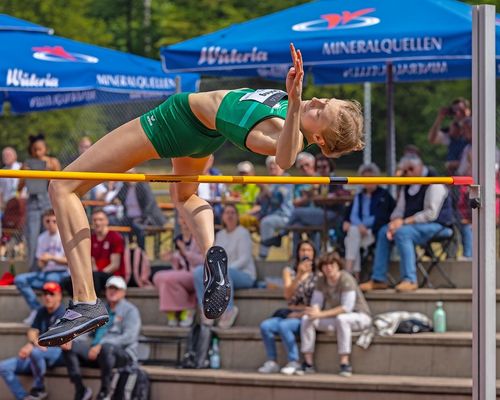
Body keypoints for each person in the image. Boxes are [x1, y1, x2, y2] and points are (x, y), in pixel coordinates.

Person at [39, 44, 364, 346]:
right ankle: (212, 256)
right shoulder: (291, 119)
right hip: (203, 135)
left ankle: (85, 300)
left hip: (177, 119)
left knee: (62, 187)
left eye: (321, 111)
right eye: (326, 101)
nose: (317, 102)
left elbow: (284, 158)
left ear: (318, 138)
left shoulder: (280, 130)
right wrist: (297, 101)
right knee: (184, 197)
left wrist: (294, 101)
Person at [360, 155, 453, 292]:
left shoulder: (435, 182)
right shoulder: (407, 186)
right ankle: (378, 279)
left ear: (420, 166)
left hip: (440, 226)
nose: (408, 173)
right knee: (383, 231)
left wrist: (403, 222)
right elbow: (399, 210)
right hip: (413, 225)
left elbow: (431, 214)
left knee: (403, 233)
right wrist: (394, 223)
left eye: (411, 169)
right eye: (405, 170)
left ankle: (410, 279)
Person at [60, 276, 141, 400]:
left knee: (107, 348)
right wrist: (73, 339)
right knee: (70, 346)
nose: (112, 291)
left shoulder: (131, 311)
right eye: (110, 288)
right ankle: (81, 390)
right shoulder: (100, 309)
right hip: (97, 352)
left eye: (116, 289)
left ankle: (105, 392)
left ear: (123, 292)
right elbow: (88, 331)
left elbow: (129, 337)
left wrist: (101, 344)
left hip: (122, 355)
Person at [300, 252, 371, 377]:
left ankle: (345, 363)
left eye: (332, 265)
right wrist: (314, 312)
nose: (328, 268)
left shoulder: (346, 279)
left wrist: (320, 314)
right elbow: (316, 303)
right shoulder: (321, 281)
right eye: (325, 265)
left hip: (359, 316)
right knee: (307, 319)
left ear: (338, 266)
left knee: (342, 319)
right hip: (334, 318)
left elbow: (346, 308)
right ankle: (308, 363)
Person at [258, 240, 317, 375]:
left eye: (309, 250)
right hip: (290, 311)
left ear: (314, 253)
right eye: (303, 250)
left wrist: (301, 313)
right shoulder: (289, 271)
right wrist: (299, 276)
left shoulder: (318, 274)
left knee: (285, 326)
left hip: (307, 314)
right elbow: (287, 295)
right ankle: (272, 361)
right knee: (266, 326)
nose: (305, 253)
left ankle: (294, 361)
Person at [194, 204, 256, 329]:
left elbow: (244, 259)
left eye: (233, 213)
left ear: (237, 216)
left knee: (223, 272)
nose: (230, 215)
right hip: (223, 273)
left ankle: (229, 310)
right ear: (222, 217)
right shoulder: (220, 235)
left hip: (244, 274)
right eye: (227, 213)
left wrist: (221, 271)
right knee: (198, 272)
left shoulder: (243, 233)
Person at [0, 281, 65, 400]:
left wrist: (34, 344)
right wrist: (33, 343)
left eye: (51, 293)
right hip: (39, 353)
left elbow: (57, 339)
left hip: (58, 354)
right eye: (45, 294)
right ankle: (23, 397)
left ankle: (39, 389)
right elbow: (32, 331)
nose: (47, 297)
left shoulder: (64, 313)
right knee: (3, 367)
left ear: (59, 295)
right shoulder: (42, 311)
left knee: (35, 352)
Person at [14, 209, 68, 324]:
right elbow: (40, 263)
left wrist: (51, 258)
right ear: (43, 222)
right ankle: (36, 309)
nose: (51, 224)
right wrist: (43, 261)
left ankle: (55, 313)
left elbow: (69, 261)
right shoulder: (42, 237)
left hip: (61, 273)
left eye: (54, 221)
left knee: (50, 281)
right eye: (47, 221)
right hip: (45, 273)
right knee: (20, 279)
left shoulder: (64, 236)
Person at [342, 163, 395, 279]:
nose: (368, 181)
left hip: (374, 232)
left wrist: (364, 226)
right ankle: (353, 275)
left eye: (371, 178)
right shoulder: (359, 196)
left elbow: (381, 217)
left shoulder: (384, 195)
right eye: (365, 178)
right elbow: (353, 215)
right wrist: (360, 226)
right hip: (360, 232)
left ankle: (349, 271)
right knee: (353, 234)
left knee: (349, 238)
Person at [18, 134, 61, 271]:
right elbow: (19, 187)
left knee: (51, 235)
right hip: (33, 204)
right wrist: (26, 174)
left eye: (40, 149)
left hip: (48, 203)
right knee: (33, 240)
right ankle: (33, 271)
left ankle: (51, 269)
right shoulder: (27, 164)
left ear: (46, 149)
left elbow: (60, 183)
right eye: (34, 149)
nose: (37, 152)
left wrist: (49, 171)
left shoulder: (53, 162)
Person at [153, 214, 203, 327]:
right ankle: (174, 313)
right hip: (183, 273)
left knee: (169, 278)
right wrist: (172, 257)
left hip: (197, 273)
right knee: (158, 277)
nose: (184, 221)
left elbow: (204, 260)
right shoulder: (178, 239)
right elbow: (179, 263)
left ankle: (187, 309)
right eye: (182, 217)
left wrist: (186, 252)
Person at [61, 208, 126, 296]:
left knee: (95, 278)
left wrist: (97, 272)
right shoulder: (90, 239)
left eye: (100, 220)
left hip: (112, 275)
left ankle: (94, 306)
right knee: (67, 281)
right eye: (95, 220)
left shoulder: (115, 237)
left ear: (107, 221)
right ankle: (79, 304)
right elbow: (88, 262)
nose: (97, 222)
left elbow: (115, 265)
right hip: (94, 274)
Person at [115, 176, 166, 250]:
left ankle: (142, 251)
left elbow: (149, 203)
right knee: (116, 226)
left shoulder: (142, 185)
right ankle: (123, 250)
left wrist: (143, 217)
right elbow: (118, 197)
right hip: (129, 218)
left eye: (130, 174)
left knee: (139, 228)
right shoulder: (125, 187)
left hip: (143, 218)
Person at [257, 156, 294, 260]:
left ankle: (262, 255)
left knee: (266, 222)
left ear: (282, 167)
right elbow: (258, 201)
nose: (272, 167)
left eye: (275, 164)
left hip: (284, 216)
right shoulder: (269, 180)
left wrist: (265, 189)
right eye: (270, 165)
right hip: (269, 215)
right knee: (245, 220)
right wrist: (262, 192)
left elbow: (277, 200)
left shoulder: (286, 179)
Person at [428, 98, 470, 175]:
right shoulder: (452, 133)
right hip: (454, 178)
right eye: (454, 110)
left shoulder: (475, 128)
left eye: (460, 110)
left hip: (470, 176)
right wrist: (440, 117)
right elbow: (431, 139)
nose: (457, 113)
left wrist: (466, 119)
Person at [0, 146, 22, 215]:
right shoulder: (2, 172)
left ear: (15, 156)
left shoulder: (22, 167)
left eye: (9, 155)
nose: (6, 157)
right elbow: (1, 190)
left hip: (21, 202)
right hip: (7, 204)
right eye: (4, 155)